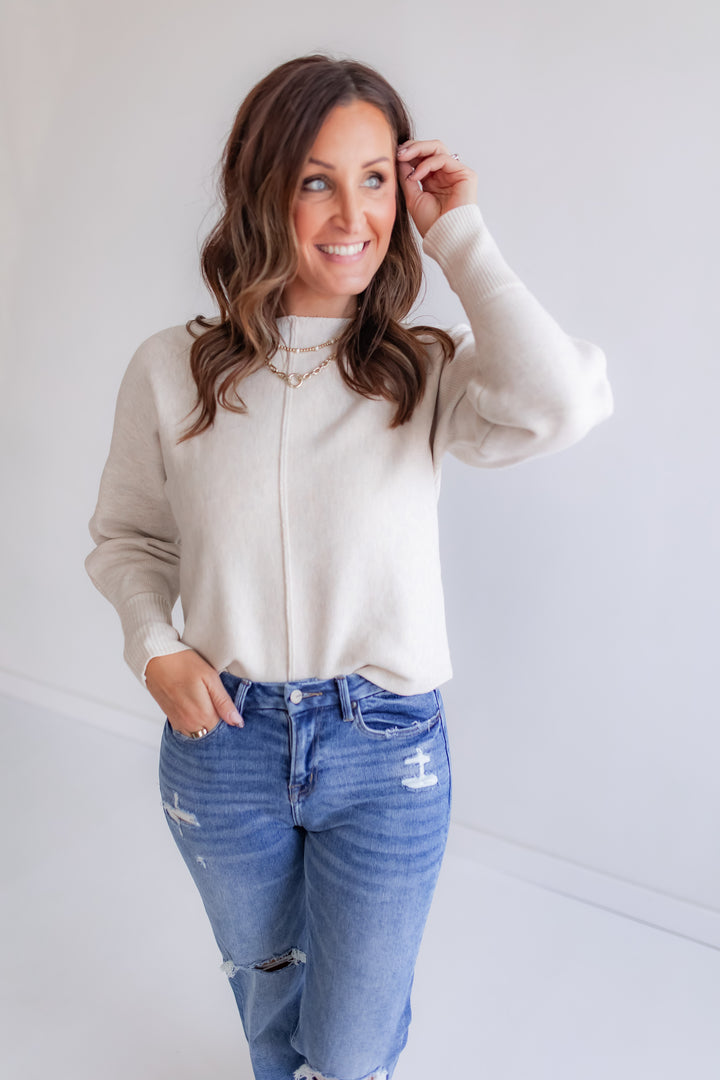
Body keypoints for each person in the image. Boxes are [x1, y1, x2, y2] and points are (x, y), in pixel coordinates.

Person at [84, 53, 613, 1080]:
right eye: (317, 180)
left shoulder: (421, 369)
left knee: (353, 1040)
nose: (353, 213)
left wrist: (459, 232)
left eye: (376, 179)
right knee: (268, 993)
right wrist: (155, 648)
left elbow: (561, 403)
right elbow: (129, 537)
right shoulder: (171, 368)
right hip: (224, 743)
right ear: (262, 190)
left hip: (386, 753)